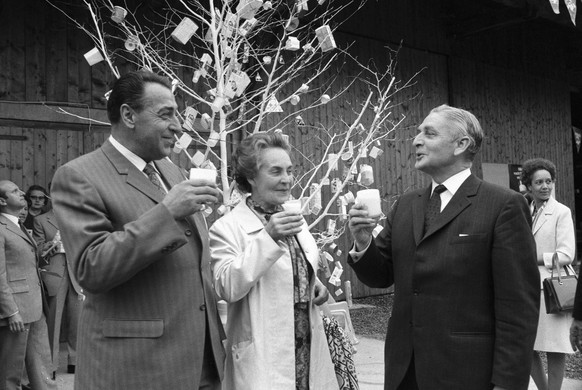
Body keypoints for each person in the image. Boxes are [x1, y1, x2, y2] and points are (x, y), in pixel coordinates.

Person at [50, 70, 225, 390]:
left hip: (201, 361)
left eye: (178, 114)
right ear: (128, 115)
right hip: (137, 367)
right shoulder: (78, 176)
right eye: (165, 114)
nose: (178, 125)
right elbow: (91, 268)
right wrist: (167, 212)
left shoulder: (172, 171)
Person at [347, 104, 540, 390]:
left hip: (467, 374)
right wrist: (363, 240)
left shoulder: (503, 206)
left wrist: (508, 383)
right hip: (404, 372)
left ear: (461, 144)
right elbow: (380, 276)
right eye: (417, 133)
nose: (416, 140)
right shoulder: (406, 204)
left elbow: (518, 307)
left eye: (429, 133)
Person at [209, 133, 338, 390]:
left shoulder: (292, 220)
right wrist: (268, 237)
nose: (287, 179)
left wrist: (313, 285)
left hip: (306, 346)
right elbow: (227, 287)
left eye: (289, 171)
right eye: (276, 171)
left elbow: (294, 272)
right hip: (264, 355)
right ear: (251, 177)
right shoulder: (227, 227)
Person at [521, 158, 576, 390]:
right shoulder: (523, 209)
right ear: (528, 185)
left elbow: (566, 254)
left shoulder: (561, 212)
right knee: (527, 345)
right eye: (539, 182)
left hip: (552, 289)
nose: (545, 186)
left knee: (555, 347)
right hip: (525, 287)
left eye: (549, 181)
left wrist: (532, 258)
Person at [0, 180, 57, 390]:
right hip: (17, 309)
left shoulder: (19, 225)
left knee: (41, 365)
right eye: (15, 191)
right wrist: (11, 311)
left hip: (35, 304)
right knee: (11, 372)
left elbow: (25, 262)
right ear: (2, 200)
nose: (22, 192)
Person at [33, 209, 82, 375]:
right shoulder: (41, 220)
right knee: (53, 320)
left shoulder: (79, 216)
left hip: (77, 274)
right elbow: (37, 249)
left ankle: (74, 361)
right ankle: (51, 364)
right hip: (55, 273)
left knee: (78, 318)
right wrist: (52, 245)